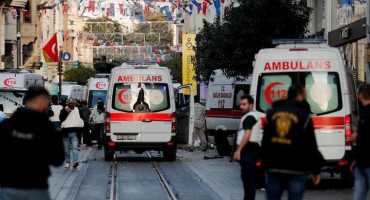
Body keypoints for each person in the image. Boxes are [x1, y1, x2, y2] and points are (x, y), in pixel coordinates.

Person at [0, 86, 64, 200]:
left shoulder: (6, 125)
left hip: (8, 186)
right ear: (41, 101)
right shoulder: (46, 128)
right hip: (36, 187)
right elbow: (58, 160)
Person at [261, 85, 324, 200]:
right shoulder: (304, 117)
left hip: (275, 167)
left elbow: (265, 143)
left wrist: (265, 165)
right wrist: (316, 170)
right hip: (297, 169)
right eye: (305, 94)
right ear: (300, 96)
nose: (307, 97)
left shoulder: (271, 114)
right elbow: (311, 146)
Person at [232, 95, 260, 200]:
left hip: (249, 151)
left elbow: (247, 134)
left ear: (251, 105)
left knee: (248, 180)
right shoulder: (250, 116)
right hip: (249, 151)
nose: (241, 107)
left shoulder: (250, 117)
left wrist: (238, 150)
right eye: (241, 104)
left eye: (244, 104)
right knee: (247, 179)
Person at [350, 84, 370, 200]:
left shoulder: (365, 114)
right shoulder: (363, 113)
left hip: (364, 162)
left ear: (361, 95)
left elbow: (365, 137)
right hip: (361, 162)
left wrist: (358, 137)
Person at [60, 98, 84, 169]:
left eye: (72, 104)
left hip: (75, 132)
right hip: (66, 132)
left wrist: (82, 131)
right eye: (69, 104)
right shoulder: (64, 110)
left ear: (74, 104)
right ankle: (67, 162)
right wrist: (66, 112)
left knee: (75, 148)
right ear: (68, 104)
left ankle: (75, 161)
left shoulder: (78, 110)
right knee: (66, 149)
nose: (71, 105)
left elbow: (81, 120)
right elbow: (61, 118)